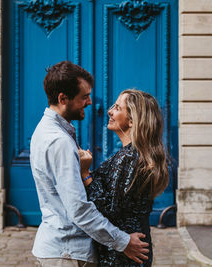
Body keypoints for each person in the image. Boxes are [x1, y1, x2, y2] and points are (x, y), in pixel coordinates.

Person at [29, 61, 149, 267]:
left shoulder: (46, 131)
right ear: (63, 98)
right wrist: (124, 242)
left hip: (61, 248)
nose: (91, 101)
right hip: (68, 252)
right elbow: (78, 209)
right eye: (84, 96)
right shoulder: (59, 141)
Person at [79, 89, 170, 266]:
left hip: (123, 254)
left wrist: (85, 174)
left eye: (118, 108)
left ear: (132, 120)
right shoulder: (135, 155)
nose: (110, 111)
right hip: (130, 248)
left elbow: (109, 209)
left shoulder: (129, 157)